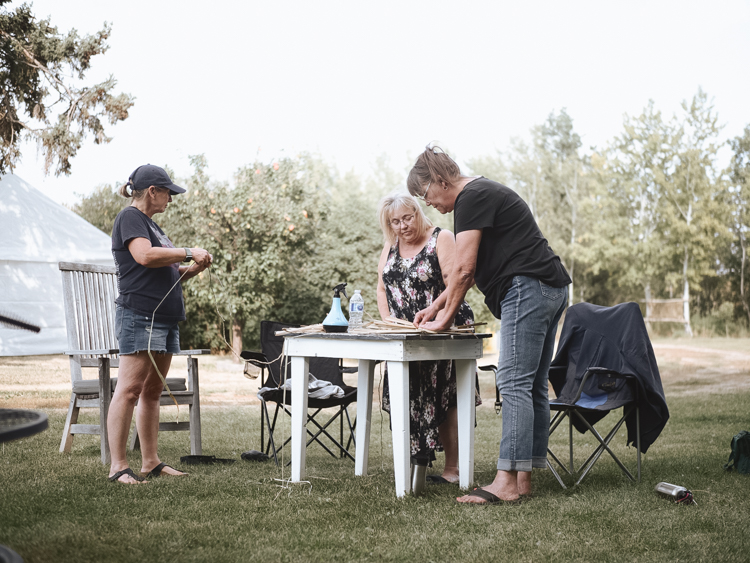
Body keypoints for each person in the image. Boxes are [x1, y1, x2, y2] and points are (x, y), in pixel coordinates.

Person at [408, 146, 571, 503]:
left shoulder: (471, 197)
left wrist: (443, 323)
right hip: (550, 287)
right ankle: (523, 478)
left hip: (527, 287)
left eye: (426, 194)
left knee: (512, 382)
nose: (428, 202)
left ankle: (506, 482)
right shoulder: (481, 193)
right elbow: (461, 274)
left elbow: (464, 270)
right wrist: (434, 308)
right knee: (531, 385)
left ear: (438, 179)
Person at [108, 164, 212, 484]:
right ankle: (118, 467)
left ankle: (150, 462)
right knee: (129, 390)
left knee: (152, 392)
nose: (171, 199)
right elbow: (143, 256)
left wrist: (193, 267)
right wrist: (188, 250)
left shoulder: (152, 226)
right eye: (168, 192)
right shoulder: (131, 218)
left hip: (164, 318)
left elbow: (168, 271)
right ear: (152, 191)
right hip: (140, 314)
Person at [376, 192, 479, 483]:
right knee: (406, 392)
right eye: (395, 221)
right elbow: (382, 289)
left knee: (444, 395)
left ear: (418, 212)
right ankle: (413, 462)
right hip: (406, 333)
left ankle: (453, 469)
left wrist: (436, 314)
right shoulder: (391, 245)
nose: (402, 226)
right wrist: (387, 319)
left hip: (445, 325)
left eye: (407, 218)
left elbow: (456, 283)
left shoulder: (441, 237)